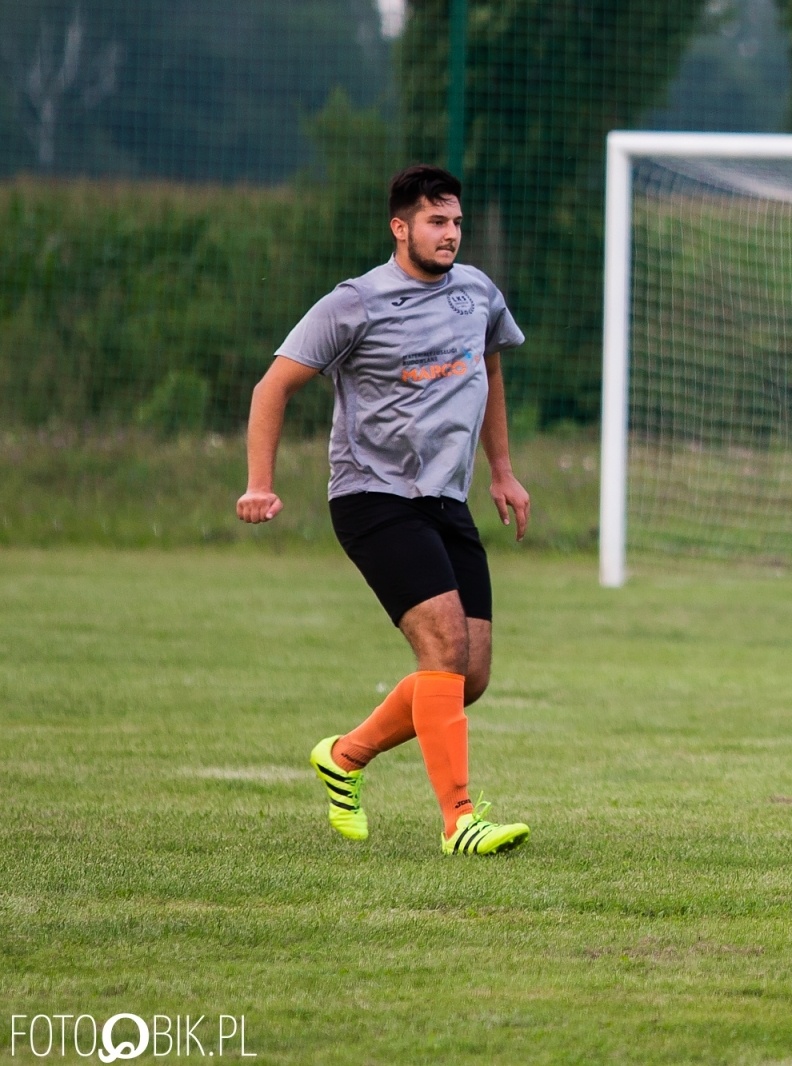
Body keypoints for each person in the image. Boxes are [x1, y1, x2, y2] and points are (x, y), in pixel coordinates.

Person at [236, 164, 532, 856]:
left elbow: (489, 370)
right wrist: (259, 483)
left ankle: (344, 757)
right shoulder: (355, 303)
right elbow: (272, 387)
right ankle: (460, 820)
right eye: (435, 222)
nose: (450, 234)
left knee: (469, 676)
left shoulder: (478, 294)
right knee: (444, 649)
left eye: (455, 222)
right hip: (372, 498)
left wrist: (502, 471)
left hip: (445, 500)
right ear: (400, 227)